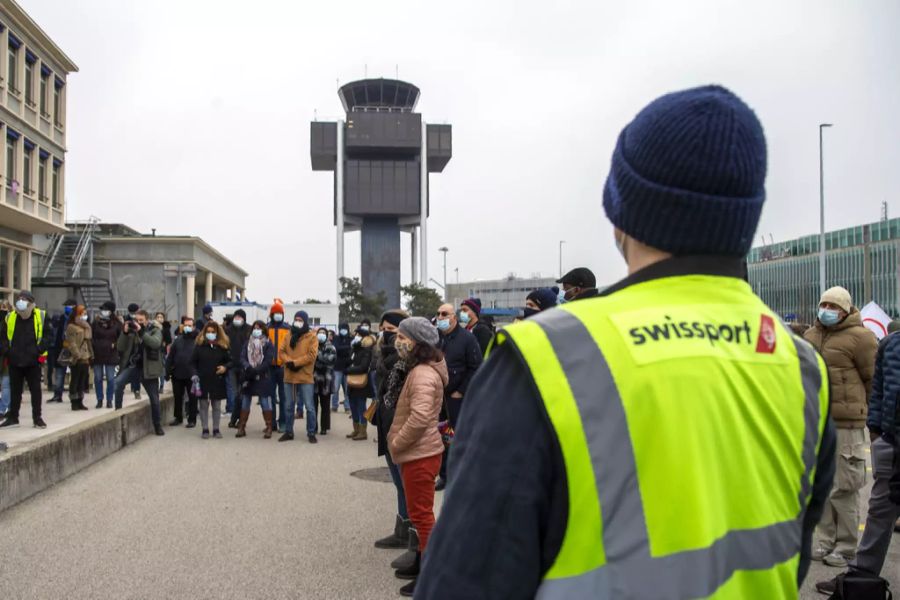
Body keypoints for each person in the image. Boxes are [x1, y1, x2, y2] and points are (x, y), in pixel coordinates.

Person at [417, 85, 837, 598]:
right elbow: (792, 555)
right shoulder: (801, 369)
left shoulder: (550, 357)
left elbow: (464, 583)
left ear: (623, 215)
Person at [817, 318, 900, 593]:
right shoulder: (890, 345)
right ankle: (861, 578)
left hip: (856, 427)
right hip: (890, 442)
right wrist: (877, 432)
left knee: (847, 491)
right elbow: (877, 392)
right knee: (879, 512)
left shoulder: (862, 339)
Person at [802, 286, 877, 568]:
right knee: (820, 484)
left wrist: (873, 418)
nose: (828, 311)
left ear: (846, 310)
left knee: (844, 486)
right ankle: (824, 540)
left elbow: (873, 380)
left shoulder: (861, 338)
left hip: (847, 423)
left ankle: (846, 546)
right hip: (817, 422)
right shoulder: (811, 336)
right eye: (824, 305)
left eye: (834, 306)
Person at [388, 317, 448, 597]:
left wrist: (398, 443)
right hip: (418, 451)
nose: (397, 340)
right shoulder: (420, 369)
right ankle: (423, 562)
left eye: (401, 335)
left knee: (422, 516)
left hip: (419, 453)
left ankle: (431, 573)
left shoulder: (423, 373)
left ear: (416, 342)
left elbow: (421, 415)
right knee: (418, 513)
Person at [372, 309, 414, 561]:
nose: (386, 335)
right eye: (384, 330)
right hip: (386, 424)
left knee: (407, 482)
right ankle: (402, 528)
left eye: (392, 331)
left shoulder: (407, 360)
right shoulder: (383, 355)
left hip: (400, 427)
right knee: (399, 482)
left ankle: (413, 534)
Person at [434, 302, 483, 490]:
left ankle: (462, 476)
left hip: (457, 399)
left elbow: (476, 367)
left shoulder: (467, 339)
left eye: (445, 314)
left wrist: (460, 390)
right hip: (438, 397)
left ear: (454, 317)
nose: (441, 317)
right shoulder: (436, 339)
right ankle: (444, 476)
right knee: (441, 438)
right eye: (438, 314)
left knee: (458, 438)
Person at [0, 290, 51, 429]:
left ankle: (37, 418)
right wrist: (7, 352)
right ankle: (13, 417)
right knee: (15, 390)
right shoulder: (10, 316)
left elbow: (47, 336)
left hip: (33, 360)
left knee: (35, 390)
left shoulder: (41, 315)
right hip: (15, 360)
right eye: (19, 299)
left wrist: (38, 350)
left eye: (24, 299)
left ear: (31, 302)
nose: (20, 301)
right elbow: (3, 337)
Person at [117, 310, 166, 435]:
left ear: (146, 320)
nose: (138, 323)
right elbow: (120, 347)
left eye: (141, 321)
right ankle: (118, 414)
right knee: (118, 383)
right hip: (134, 367)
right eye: (136, 320)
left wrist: (141, 331)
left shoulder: (155, 330)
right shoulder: (132, 332)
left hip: (149, 369)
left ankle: (157, 425)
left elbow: (155, 343)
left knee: (154, 399)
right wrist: (125, 332)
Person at [278, 311, 319, 443]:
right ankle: (289, 432)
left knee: (309, 407)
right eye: (296, 319)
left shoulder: (312, 336)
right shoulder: (288, 334)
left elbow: (312, 355)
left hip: (305, 376)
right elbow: (281, 351)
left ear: (306, 321)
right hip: (289, 375)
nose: (298, 321)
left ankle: (311, 432)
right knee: (288, 406)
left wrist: (296, 363)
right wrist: (289, 362)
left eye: (301, 319)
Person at [191, 320, 231, 439]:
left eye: (213, 332)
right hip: (202, 380)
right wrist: (194, 374)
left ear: (217, 333)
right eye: (208, 332)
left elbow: (230, 361)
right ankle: (205, 429)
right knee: (203, 405)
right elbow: (192, 363)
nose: (210, 334)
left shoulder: (222, 347)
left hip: (217, 380)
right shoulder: (199, 347)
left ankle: (216, 429)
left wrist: (225, 367)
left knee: (217, 406)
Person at [237, 320, 275, 439]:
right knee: (245, 401)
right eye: (255, 328)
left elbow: (268, 361)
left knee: (264, 401)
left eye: (259, 328)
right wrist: (248, 367)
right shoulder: (247, 343)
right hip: (248, 376)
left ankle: (269, 427)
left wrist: (257, 370)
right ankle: (241, 427)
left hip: (262, 376)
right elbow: (242, 357)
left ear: (264, 330)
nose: (256, 330)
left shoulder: (269, 344)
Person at [346, 323, 375, 440]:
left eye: (357, 334)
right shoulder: (354, 349)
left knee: (360, 406)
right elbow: (349, 361)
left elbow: (363, 366)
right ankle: (356, 429)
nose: (355, 336)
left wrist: (349, 369)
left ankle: (363, 432)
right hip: (352, 383)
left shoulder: (366, 350)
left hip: (361, 383)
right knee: (353, 406)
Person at [167, 317, 199, 427]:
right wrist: (167, 371)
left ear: (194, 327)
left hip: (192, 374)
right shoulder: (178, 340)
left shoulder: (198, 340)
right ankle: (178, 417)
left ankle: (192, 419)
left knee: (193, 398)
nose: (187, 327)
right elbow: (170, 357)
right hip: (177, 373)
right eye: (185, 325)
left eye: (190, 325)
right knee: (177, 396)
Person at [91, 301, 121, 409]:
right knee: (98, 378)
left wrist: (115, 345)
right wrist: (94, 345)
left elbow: (121, 338)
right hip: (97, 353)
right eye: (102, 310)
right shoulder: (96, 322)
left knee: (110, 378)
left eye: (106, 310)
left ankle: (109, 399)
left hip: (111, 354)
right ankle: (99, 399)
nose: (103, 312)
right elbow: (91, 336)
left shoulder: (117, 323)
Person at [64, 305, 93, 411]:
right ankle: (74, 401)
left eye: (85, 313)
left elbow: (88, 340)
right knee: (75, 379)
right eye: (82, 313)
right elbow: (71, 342)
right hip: (77, 357)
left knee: (82, 380)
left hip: (86, 356)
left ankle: (80, 400)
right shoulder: (71, 326)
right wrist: (77, 354)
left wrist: (91, 354)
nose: (84, 315)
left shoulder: (85, 326)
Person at [48, 298, 77, 403]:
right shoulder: (61, 318)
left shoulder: (78, 319)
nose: (67, 308)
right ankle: (57, 395)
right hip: (61, 349)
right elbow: (56, 334)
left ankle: (75, 395)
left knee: (75, 374)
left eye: (69, 306)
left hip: (75, 349)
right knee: (59, 373)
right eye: (66, 306)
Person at [267, 300, 290, 430]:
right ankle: (272, 424)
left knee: (284, 397)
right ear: (271, 314)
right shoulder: (267, 328)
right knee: (270, 396)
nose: (278, 315)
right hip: (269, 368)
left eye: (280, 313)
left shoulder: (287, 329)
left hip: (283, 367)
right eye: (275, 313)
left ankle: (283, 422)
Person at [224, 308, 250, 422]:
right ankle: (234, 416)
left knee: (243, 394)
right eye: (235, 317)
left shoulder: (249, 330)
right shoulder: (228, 330)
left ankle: (239, 419)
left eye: (239, 317)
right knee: (235, 393)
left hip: (244, 366)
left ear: (244, 319)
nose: (237, 319)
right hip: (231, 366)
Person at [313, 327, 336, 435]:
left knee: (325, 405)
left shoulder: (331, 347)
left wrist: (317, 356)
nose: (321, 334)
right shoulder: (312, 345)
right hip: (314, 380)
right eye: (319, 333)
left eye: (323, 333)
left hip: (326, 380)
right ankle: (313, 426)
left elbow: (329, 361)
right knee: (313, 405)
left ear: (327, 335)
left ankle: (324, 427)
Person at [332, 322, 353, 413]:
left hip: (348, 368)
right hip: (337, 367)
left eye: (345, 328)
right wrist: (347, 347)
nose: (343, 330)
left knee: (347, 389)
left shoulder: (351, 338)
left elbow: (352, 350)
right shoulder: (336, 338)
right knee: (335, 388)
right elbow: (336, 348)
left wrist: (343, 348)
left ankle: (347, 406)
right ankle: (334, 406)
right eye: (341, 328)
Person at [126, 303, 142, 400]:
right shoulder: (125, 320)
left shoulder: (140, 320)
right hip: (128, 347)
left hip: (137, 347)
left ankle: (136, 389)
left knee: (136, 370)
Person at [155, 312, 172, 394]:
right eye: (158, 317)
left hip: (162, 351)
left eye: (161, 317)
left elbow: (169, 340)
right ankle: (156, 385)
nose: (159, 318)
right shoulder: (153, 327)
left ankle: (161, 385)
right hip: (153, 351)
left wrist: (164, 342)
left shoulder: (166, 328)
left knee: (162, 369)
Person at [0, 300, 11, 418]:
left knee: (6, 384)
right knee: (6, 385)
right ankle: (5, 408)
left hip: (7, 358)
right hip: (6, 356)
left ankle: (4, 408)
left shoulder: (8, 321)